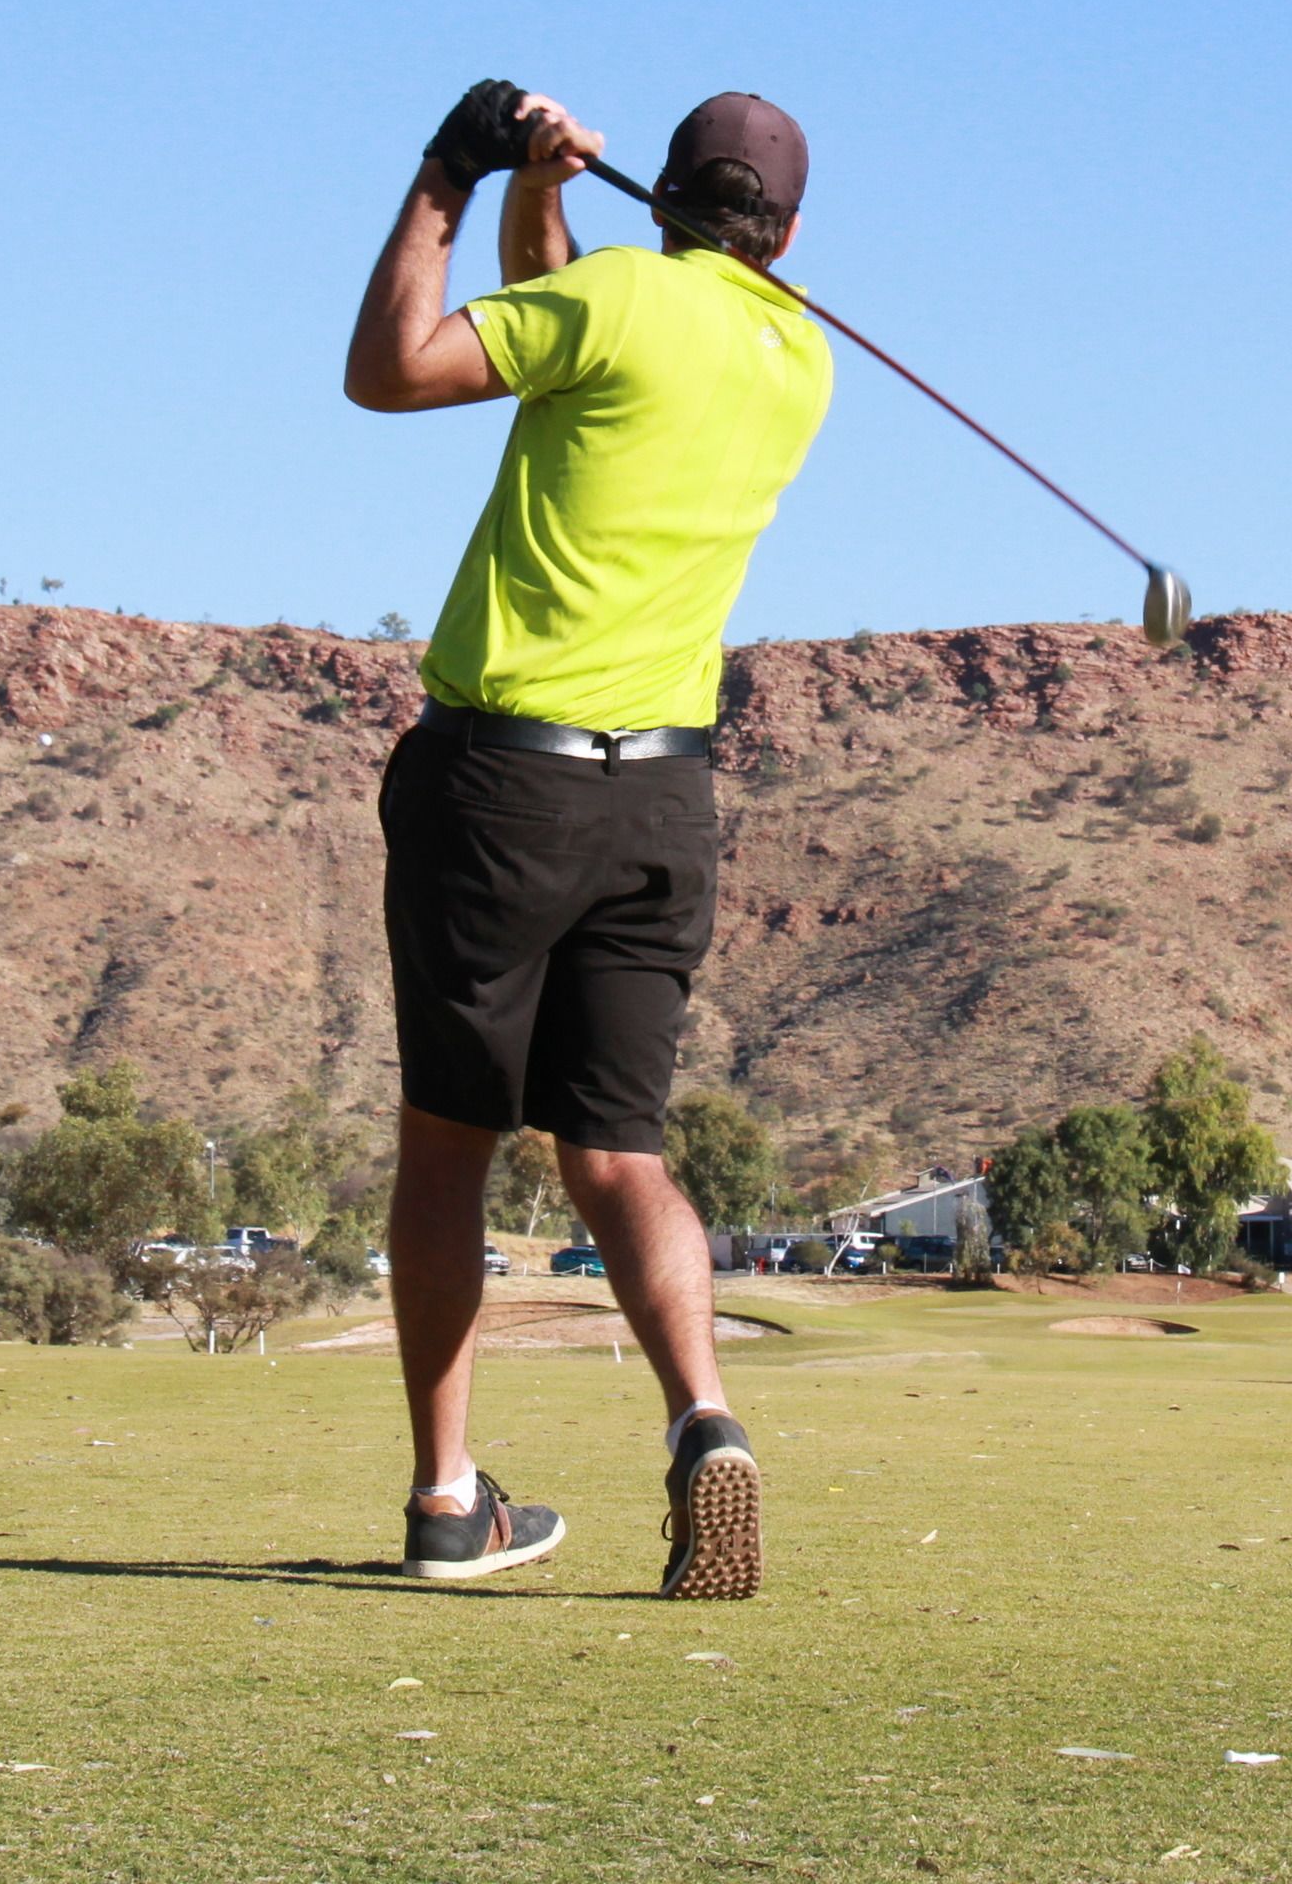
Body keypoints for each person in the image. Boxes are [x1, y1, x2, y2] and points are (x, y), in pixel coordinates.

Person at [343, 79, 833, 1597]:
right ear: (790, 231)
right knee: (616, 1151)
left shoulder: (618, 297)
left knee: (449, 1146)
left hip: (501, 786)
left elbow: (397, 370)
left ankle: (446, 1500)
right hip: (660, 801)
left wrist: (451, 169)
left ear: (667, 193)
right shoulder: (798, 355)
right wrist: (543, 187)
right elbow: (565, 327)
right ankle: (705, 1417)